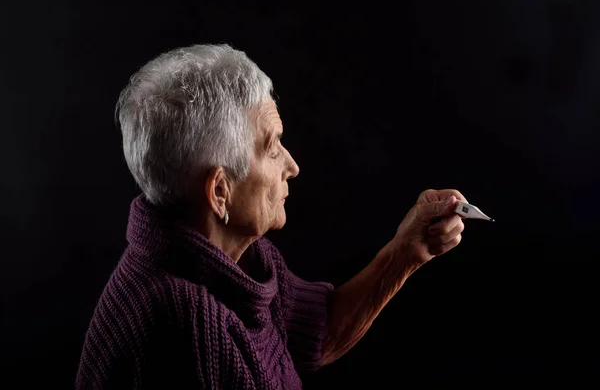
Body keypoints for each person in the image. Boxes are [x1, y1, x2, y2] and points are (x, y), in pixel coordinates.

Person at [75, 44, 468, 389]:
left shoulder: (239, 257)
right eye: (272, 147)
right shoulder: (188, 323)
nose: (293, 166)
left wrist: (406, 252)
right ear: (219, 191)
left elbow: (314, 335)